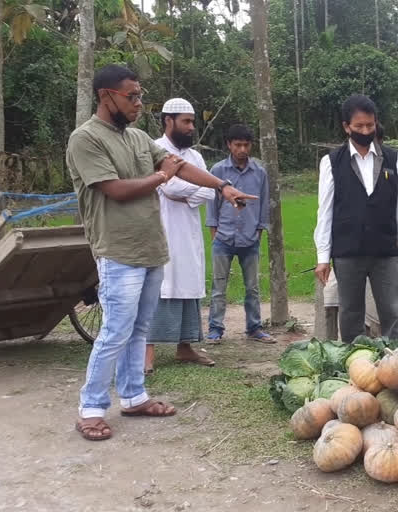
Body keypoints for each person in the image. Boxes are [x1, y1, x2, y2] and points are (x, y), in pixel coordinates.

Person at [67, 65, 255, 441]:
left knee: (139, 328)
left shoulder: (137, 138)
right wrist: (161, 177)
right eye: (131, 96)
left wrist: (223, 187)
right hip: (118, 250)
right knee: (116, 330)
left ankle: (134, 396)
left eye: (140, 96)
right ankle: (91, 406)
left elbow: (180, 166)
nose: (138, 103)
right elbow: (115, 189)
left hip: (152, 248)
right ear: (107, 96)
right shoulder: (85, 139)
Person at [313, 94, 398, 342]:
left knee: (391, 310)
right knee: (350, 312)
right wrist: (322, 258)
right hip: (347, 250)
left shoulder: (392, 158)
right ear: (346, 127)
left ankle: (395, 362)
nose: (365, 130)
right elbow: (325, 211)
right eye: (359, 126)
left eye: (370, 125)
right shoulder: (331, 162)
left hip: (385, 249)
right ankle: (353, 362)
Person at [144, 98, 216, 375]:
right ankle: (147, 354)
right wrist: (188, 190)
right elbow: (170, 186)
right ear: (168, 121)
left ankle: (184, 347)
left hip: (188, 232)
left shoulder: (195, 157)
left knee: (188, 284)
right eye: (186, 121)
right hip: (161, 231)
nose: (191, 127)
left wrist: (187, 192)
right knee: (160, 287)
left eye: (192, 122)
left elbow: (209, 191)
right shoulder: (155, 149)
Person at [205, 124, 275, 344]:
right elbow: (212, 203)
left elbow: (263, 204)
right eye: (238, 145)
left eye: (246, 145)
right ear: (229, 145)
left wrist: (259, 231)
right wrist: (214, 231)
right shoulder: (218, 171)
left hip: (250, 238)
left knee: (253, 287)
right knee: (218, 287)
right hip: (223, 238)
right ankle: (215, 329)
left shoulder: (260, 172)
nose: (242, 149)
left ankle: (254, 327)